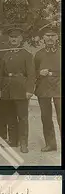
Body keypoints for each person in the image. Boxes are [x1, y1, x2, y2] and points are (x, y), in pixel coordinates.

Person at [0, 25, 35, 153]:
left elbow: (31, 74)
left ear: (21, 39)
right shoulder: (5, 54)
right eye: (11, 37)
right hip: (7, 89)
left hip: (21, 88)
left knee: (22, 117)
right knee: (10, 116)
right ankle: (13, 140)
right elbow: (0, 74)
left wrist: (29, 90)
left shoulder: (27, 55)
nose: (13, 40)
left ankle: (23, 142)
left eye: (16, 37)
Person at [34, 22, 61, 152]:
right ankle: (51, 144)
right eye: (47, 35)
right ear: (43, 38)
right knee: (46, 117)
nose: (50, 38)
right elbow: (33, 73)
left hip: (59, 88)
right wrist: (39, 73)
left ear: (57, 37)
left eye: (53, 35)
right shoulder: (38, 54)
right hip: (43, 88)